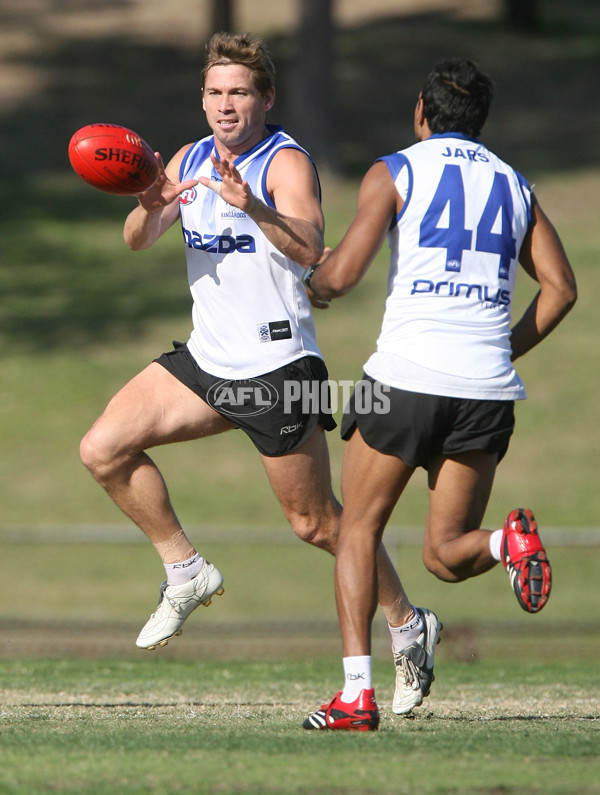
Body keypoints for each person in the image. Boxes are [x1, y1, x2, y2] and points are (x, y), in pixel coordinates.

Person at [79, 33, 412, 680]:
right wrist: (150, 206)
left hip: (279, 369)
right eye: (214, 92)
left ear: (266, 98)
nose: (225, 105)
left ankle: (405, 619)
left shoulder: (283, 163)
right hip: (208, 361)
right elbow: (136, 239)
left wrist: (252, 206)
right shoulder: (189, 157)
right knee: (103, 448)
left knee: (316, 523)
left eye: (238, 92)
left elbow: (312, 246)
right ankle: (186, 569)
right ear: (201, 100)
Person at [301, 58, 577, 731]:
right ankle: (504, 544)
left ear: (420, 114)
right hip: (486, 392)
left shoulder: (396, 169)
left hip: (400, 382)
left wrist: (315, 281)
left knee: (355, 528)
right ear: (479, 122)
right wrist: (501, 349)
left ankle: (355, 695)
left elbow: (346, 273)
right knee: (446, 553)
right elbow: (562, 289)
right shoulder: (516, 185)